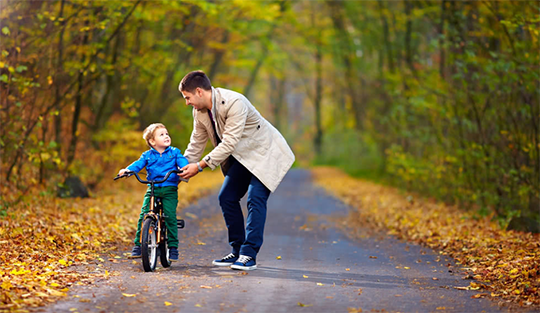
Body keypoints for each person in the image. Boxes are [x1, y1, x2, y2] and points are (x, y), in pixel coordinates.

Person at [178, 70, 295, 271]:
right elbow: (196, 143)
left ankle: (249, 255)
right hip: (243, 156)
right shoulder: (199, 112)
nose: (187, 102)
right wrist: (179, 172)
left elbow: (229, 143)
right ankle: (238, 249)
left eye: (187, 98)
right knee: (226, 197)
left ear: (198, 91)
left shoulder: (234, 102)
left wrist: (200, 166)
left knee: (255, 198)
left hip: (264, 153)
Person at [118, 123, 189, 261]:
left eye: (167, 133)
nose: (166, 136)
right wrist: (127, 170)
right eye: (161, 135)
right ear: (152, 141)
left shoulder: (174, 152)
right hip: (153, 188)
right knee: (144, 215)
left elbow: (182, 162)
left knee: (169, 215)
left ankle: (173, 247)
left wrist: (184, 167)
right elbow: (138, 164)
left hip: (169, 189)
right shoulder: (147, 155)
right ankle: (139, 245)